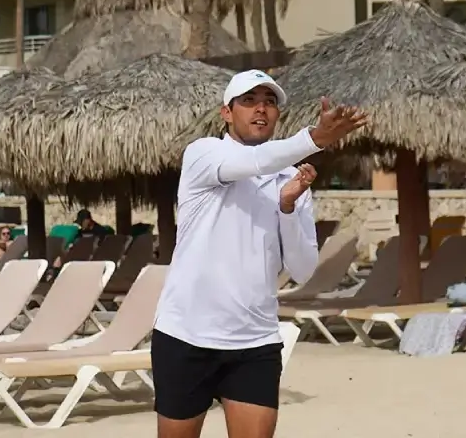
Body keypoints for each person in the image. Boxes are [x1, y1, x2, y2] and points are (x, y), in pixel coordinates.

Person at [153, 69, 368, 438]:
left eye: (269, 102)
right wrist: (315, 138)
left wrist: (286, 207)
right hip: (186, 335)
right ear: (227, 112)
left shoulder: (291, 179)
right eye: (249, 101)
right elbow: (254, 163)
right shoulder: (204, 154)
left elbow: (302, 270)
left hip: (256, 342)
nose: (261, 109)